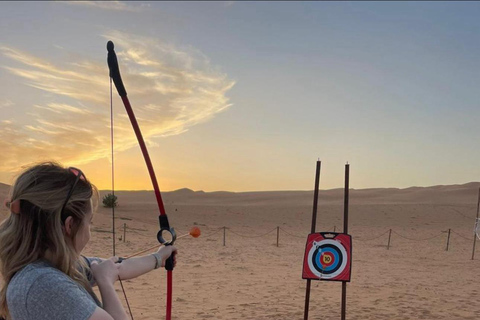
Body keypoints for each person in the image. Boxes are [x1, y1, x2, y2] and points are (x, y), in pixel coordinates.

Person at [0, 162, 177, 320]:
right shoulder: (44, 285)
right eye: (89, 222)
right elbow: (106, 273)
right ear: (69, 225)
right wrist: (106, 282)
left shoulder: (51, 265)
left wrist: (158, 258)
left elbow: (116, 267)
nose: (89, 231)